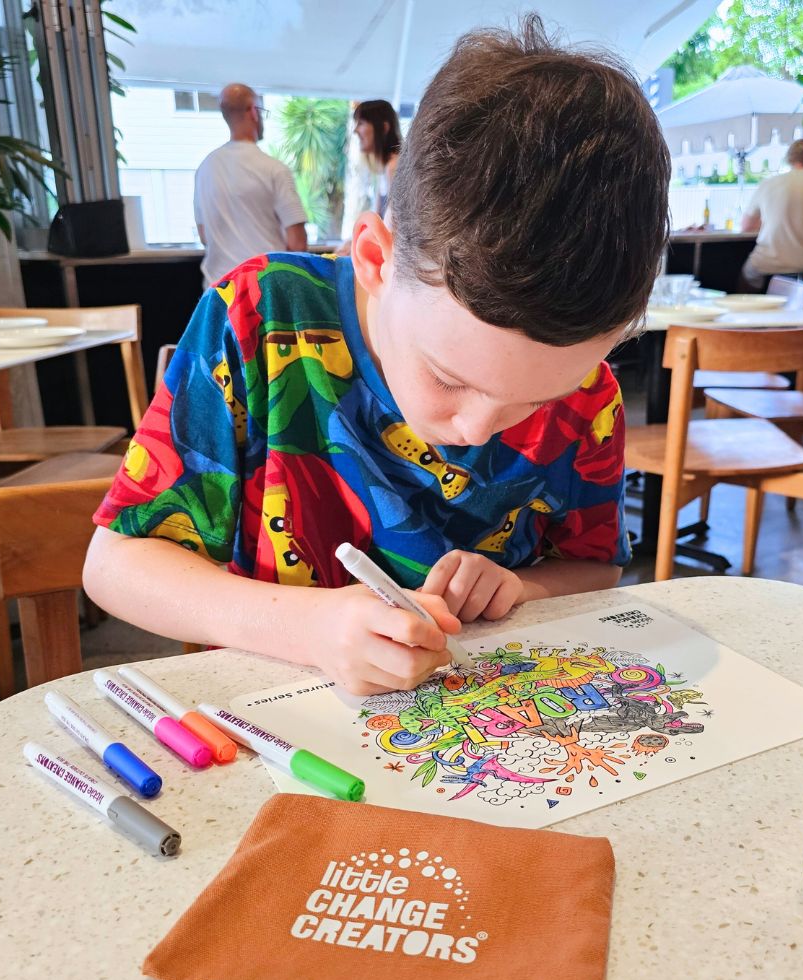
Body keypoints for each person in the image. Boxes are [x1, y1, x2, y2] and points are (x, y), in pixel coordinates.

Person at [83, 16, 671, 698]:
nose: (478, 431)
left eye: (537, 402)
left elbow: (595, 567)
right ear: (373, 258)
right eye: (448, 378)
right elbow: (115, 564)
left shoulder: (589, 392)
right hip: (278, 718)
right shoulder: (258, 316)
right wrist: (309, 628)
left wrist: (522, 584)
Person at [193, 83, 308, 288]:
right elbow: (297, 243)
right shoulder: (274, 169)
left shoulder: (204, 168)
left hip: (216, 292)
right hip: (263, 292)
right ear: (254, 112)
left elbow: (204, 236)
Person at [738, 138, 803, 292]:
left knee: (748, 274)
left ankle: (747, 306)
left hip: (767, 262)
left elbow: (746, 226)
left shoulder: (767, 184)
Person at [336, 100, 403, 255]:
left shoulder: (395, 166)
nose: (356, 131)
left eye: (361, 123)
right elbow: (380, 221)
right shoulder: (385, 168)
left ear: (384, 128)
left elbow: (394, 228)